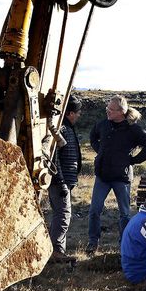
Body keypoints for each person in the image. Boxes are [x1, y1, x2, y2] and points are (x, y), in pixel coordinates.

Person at [88, 95, 146, 255]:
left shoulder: (133, 129)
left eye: (111, 110)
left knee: (124, 214)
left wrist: (133, 160)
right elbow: (93, 136)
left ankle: (124, 244)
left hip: (122, 178)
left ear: (122, 112)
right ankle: (92, 242)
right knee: (94, 210)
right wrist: (101, 152)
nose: (108, 112)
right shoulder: (103, 124)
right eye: (107, 108)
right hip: (102, 176)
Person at [48, 96, 82, 263]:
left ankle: (58, 251)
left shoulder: (66, 128)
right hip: (60, 182)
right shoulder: (62, 128)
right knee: (63, 216)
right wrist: (60, 181)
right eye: (77, 112)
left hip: (64, 182)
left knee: (60, 215)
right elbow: (54, 158)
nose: (79, 116)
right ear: (70, 113)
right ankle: (56, 252)